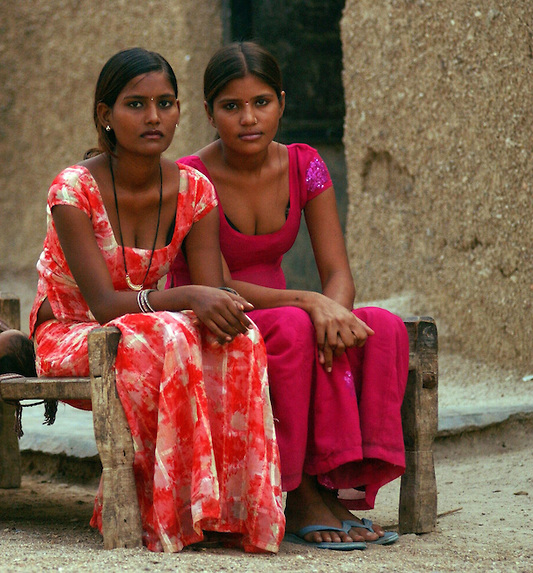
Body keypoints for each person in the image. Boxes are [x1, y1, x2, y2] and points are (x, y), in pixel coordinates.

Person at [29, 47, 284, 553]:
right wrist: (188, 295)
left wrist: (217, 309)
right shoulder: (73, 190)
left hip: (147, 334)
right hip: (72, 337)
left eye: (166, 103)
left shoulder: (195, 191)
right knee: (166, 332)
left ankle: (224, 512)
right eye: (136, 105)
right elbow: (102, 305)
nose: (153, 117)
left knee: (240, 338)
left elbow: (211, 300)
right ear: (106, 115)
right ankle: (155, 511)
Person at [168, 41, 407, 550]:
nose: (248, 119)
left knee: (380, 325)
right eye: (231, 107)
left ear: (282, 102)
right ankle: (295, 491)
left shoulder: (306, 165)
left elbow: (337, 270)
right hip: (219, 312)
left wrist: (332, 309)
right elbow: (221, 284)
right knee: (300, 326)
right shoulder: (193, 176)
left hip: (286, 314)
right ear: (210, 113)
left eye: (261, 103)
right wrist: (311, 304)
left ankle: (331, 484)